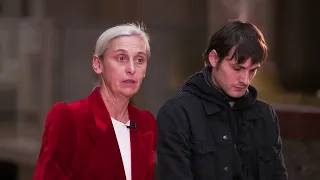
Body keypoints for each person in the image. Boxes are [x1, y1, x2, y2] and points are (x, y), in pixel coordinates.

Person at [156, 21, 288, 180]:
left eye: (253, 70)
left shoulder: (265, 115)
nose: (245, 80)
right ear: (213, 58)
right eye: (237, 68)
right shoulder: (177, 114)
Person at [33, 23, 157, 180]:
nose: (132, 68)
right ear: (98, 64)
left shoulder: (146, 123)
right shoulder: (69, 118)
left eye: (140, 60)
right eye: (121, 58)